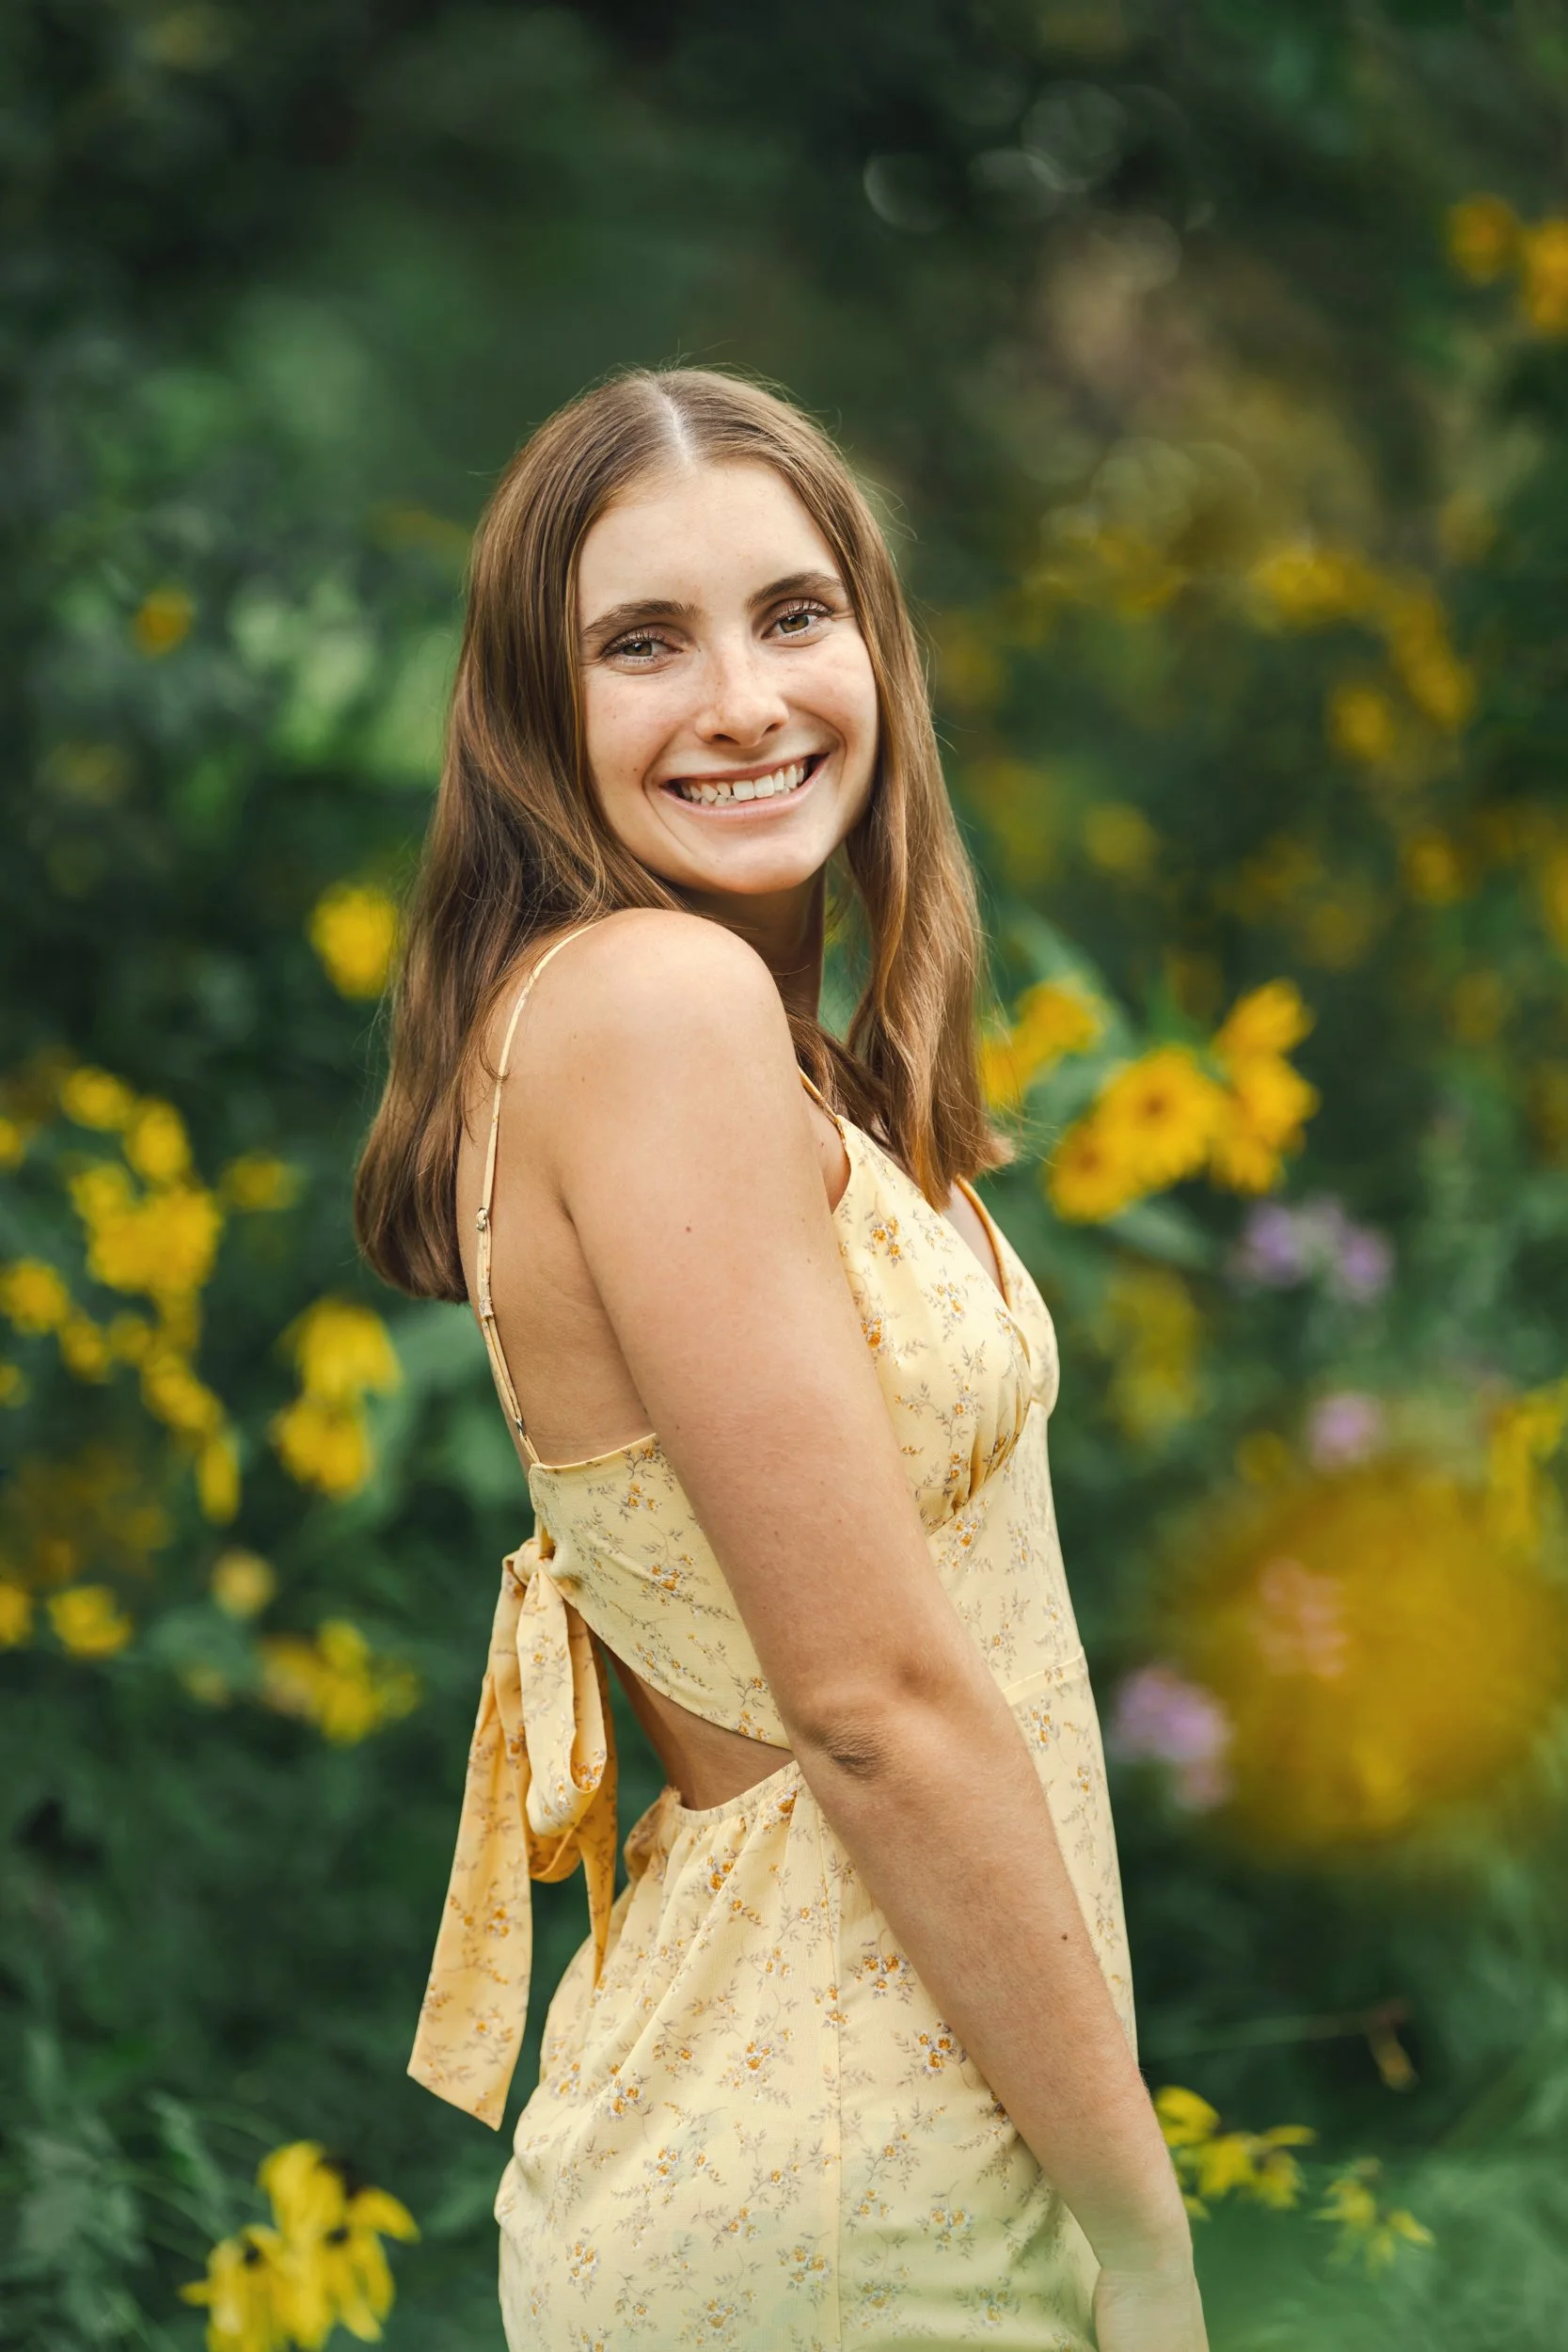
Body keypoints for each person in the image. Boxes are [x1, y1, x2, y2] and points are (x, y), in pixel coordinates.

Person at [355, 367, 1206, 2352]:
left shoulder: (737, 1035)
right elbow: (870, 1704)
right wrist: (1145, 2230)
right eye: (641, 642)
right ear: (534, 715)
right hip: (836, 2186)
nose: (739, 698)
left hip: (877, 2124)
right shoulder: (652, 1006)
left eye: (790, 613)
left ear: (876, 651)